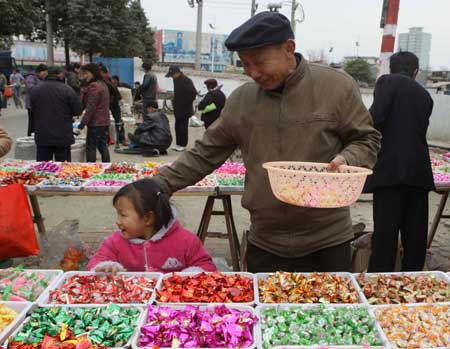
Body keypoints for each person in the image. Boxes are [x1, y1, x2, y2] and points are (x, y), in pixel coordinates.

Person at [152, 12, 381, 273]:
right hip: (266, 242)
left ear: (289, 48)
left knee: (330, 312)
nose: (253, 73)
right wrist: (159, 184)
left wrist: (347, 159)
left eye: (259, 62)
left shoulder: (336, 87)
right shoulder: (242, 101)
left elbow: (367, 138)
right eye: (245, 64)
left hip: (327, 240)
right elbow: (205, 153)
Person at [366, 52, 434, 272]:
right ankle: (413, 287)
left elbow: (374, 120)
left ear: (391, 69)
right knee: (415, 239)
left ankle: (379, 288)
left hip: (391, 173)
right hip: (419, 174)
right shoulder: (425, 95)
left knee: (385, 237)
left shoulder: (387, 81)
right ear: (415, 71)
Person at [87, 179, 217, 273]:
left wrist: (190, 276)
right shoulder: (114, 243)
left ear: (148, 218)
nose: (118, 221)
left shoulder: (186, 241)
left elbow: (206, 266)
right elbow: (96, 261)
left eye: (123, 215)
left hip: (172, 307)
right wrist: (104, 267)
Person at [30, 66, 83, 162]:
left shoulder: (36, 89)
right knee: (63, 168)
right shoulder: (67, 90)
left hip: (43, 135)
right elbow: (78, 110)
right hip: (62, 136)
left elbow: (32, 108)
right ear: (59, 75)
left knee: (43, 168)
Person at [78, 63, 111, 163]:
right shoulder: (103, 84)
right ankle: (107, 166)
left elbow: (91, 107)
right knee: (103, 146)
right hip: (104, 121)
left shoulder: (94, 86)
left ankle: (90, 168)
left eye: (86, 73)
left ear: (93, 73)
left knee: (91, 148)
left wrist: (82, 124)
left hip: (96, 123)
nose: (84, 76)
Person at [166, 65, 197, 152]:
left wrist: (184, 103)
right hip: (178, 108)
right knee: (177, 126)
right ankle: (178, 144)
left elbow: (193, 93)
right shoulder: (176, 79)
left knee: (183, 127)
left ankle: (183, 144)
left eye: (172, 75)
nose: (171, 77)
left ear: (177, 73)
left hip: (185, 108)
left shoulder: (186, 81)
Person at [25, 64, 48, 136]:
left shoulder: (41, 79)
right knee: (32, 124)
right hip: (32, 105)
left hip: (40, 105)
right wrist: (43, 87)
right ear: (40, 72)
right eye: (44, 73)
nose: (45, 75)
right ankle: (30, 138)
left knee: (39, 124)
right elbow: (30, 88)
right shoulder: (31, 77)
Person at [110, 75, 127, 147]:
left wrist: (121, 102)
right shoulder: (109, 85)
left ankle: (122, 139)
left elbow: (119, 97)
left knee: (119, 121)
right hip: (107, 103)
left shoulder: (120, 85)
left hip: (115, 105)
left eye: (115, 81)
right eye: (112, 80)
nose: (114, 82)